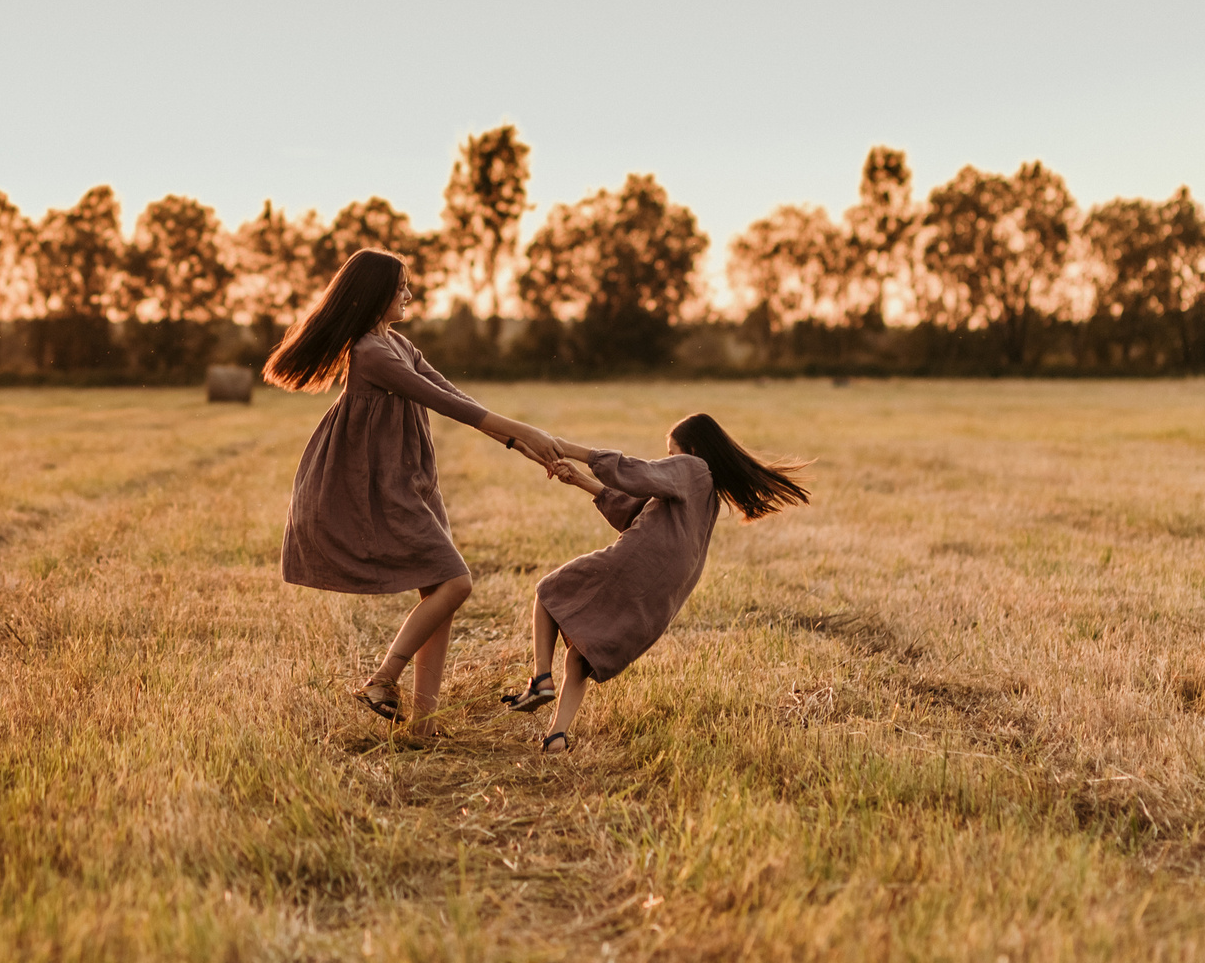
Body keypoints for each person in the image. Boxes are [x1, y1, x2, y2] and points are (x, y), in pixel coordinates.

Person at [267, 249, 555, 727]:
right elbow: (446, 404)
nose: (410, 294)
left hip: (410, 478)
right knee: (456, 582)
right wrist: (525, 431)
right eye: (402, 286)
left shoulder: (398, 344)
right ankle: (383, 678)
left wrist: (519, 442)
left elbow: (456, 394)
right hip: (378, 484)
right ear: (376, 293)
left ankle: (424, 722)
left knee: (440, 587)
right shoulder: (371, 353)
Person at [505, 413, 810, 751]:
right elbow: (635, 512)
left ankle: (541, 679)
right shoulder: (705, 496)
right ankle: (556, 738)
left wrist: (567, 448)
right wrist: (579, 480)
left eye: (672, 453)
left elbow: (637, 473)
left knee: (548, 592)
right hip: (660, 595)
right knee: (581, 655)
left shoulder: (693, 468)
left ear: (692, 450)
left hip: (635, 564)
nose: (670, 461)